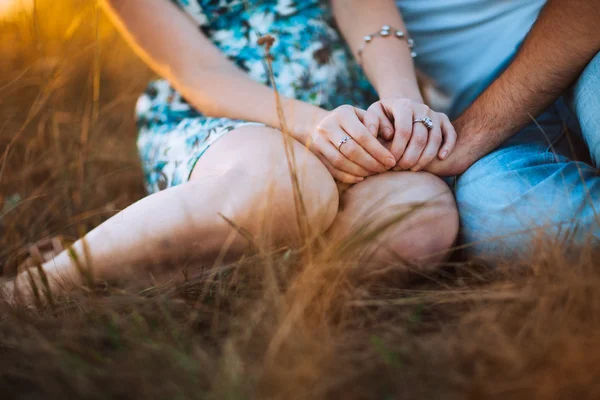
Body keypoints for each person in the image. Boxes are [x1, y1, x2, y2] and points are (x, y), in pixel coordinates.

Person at [2, 0, 459, 301]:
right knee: (290, 188)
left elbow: (363, 8)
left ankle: (231, 289)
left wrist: (400, 98)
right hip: (224, 122)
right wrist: (314, 123)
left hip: (352, 118)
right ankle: (42, 286)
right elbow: (200, 73)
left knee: (419, 220)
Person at [385, 0, 599, 258]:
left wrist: (474, 133)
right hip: (487, 112)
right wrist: (406, 110)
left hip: (586, 54)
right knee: (493, 209)